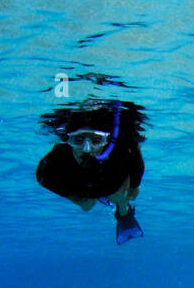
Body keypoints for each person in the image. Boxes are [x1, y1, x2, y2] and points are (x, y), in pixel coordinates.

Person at [36, 100, 148, 244]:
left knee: (120, 196)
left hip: (112, 181)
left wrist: (134, 187)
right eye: (78, 140)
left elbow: (136, 161)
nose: (87, 149)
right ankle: (101, 200)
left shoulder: (122, 150)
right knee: (87, 205)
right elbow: (42, 176)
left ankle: (124, 214)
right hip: (84, 187)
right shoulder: (58, 158)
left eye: (96, 140)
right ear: (68, 140)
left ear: (107, 141)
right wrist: (72, 197)